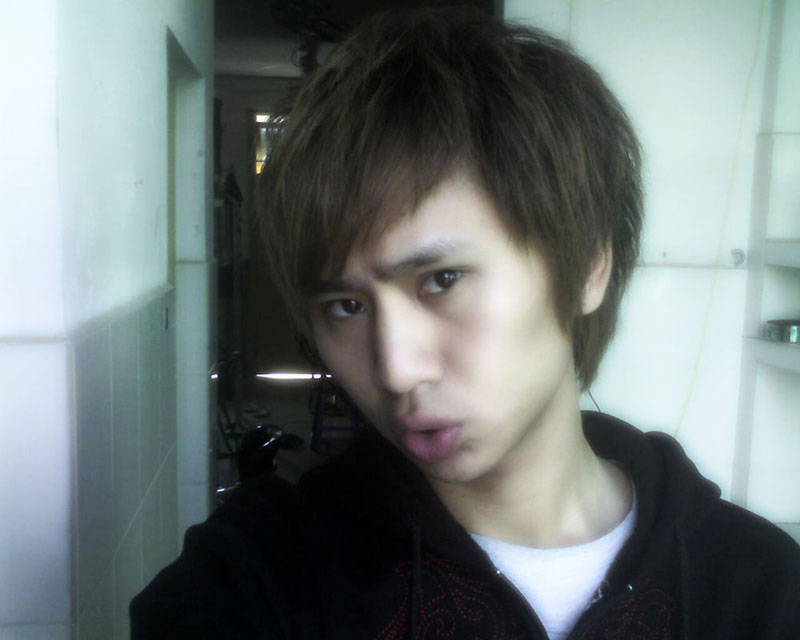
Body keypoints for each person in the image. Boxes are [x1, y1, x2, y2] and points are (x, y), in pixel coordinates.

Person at [131, 8, 800, 639]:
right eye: (346, 305)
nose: (396, 369)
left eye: (442, 280)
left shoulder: (761, 589)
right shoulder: (262, 572)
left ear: (590, 267)